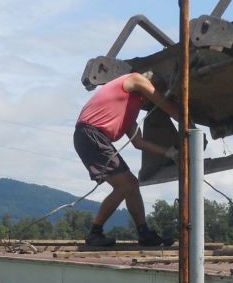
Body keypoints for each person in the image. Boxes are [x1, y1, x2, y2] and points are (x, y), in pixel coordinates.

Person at [73, 71, 179, 247]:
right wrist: (188, 123)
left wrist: (169, 153)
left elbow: (138, 142)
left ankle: (144, 234)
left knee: (132, 184)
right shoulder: (135, 79)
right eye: (154, 91)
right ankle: (94, 233)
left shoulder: (130, 107)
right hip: (91, 134)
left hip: (93, 136)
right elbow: (165, 104)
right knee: (125, 186)